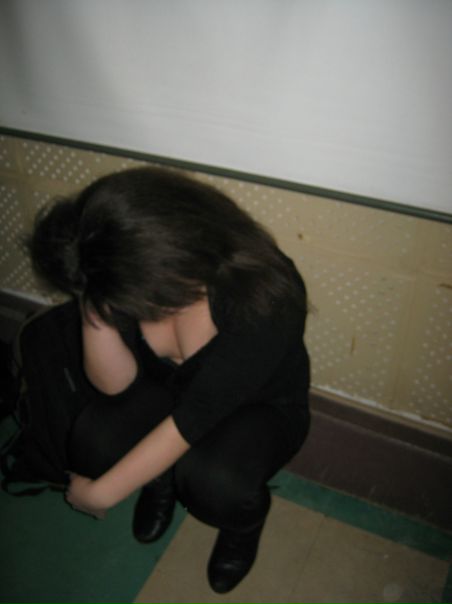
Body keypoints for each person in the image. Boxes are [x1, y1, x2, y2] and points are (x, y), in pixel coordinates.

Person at [28, 167, 310, 593]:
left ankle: (244, 523)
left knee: (213, 482)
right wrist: (93, 297)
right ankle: (159, 479)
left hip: (258, 407)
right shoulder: (131, 267)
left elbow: (196, 416)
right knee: (93, 440)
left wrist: (99, 495)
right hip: (171, 392)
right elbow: (115, 386)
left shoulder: (265, 293)